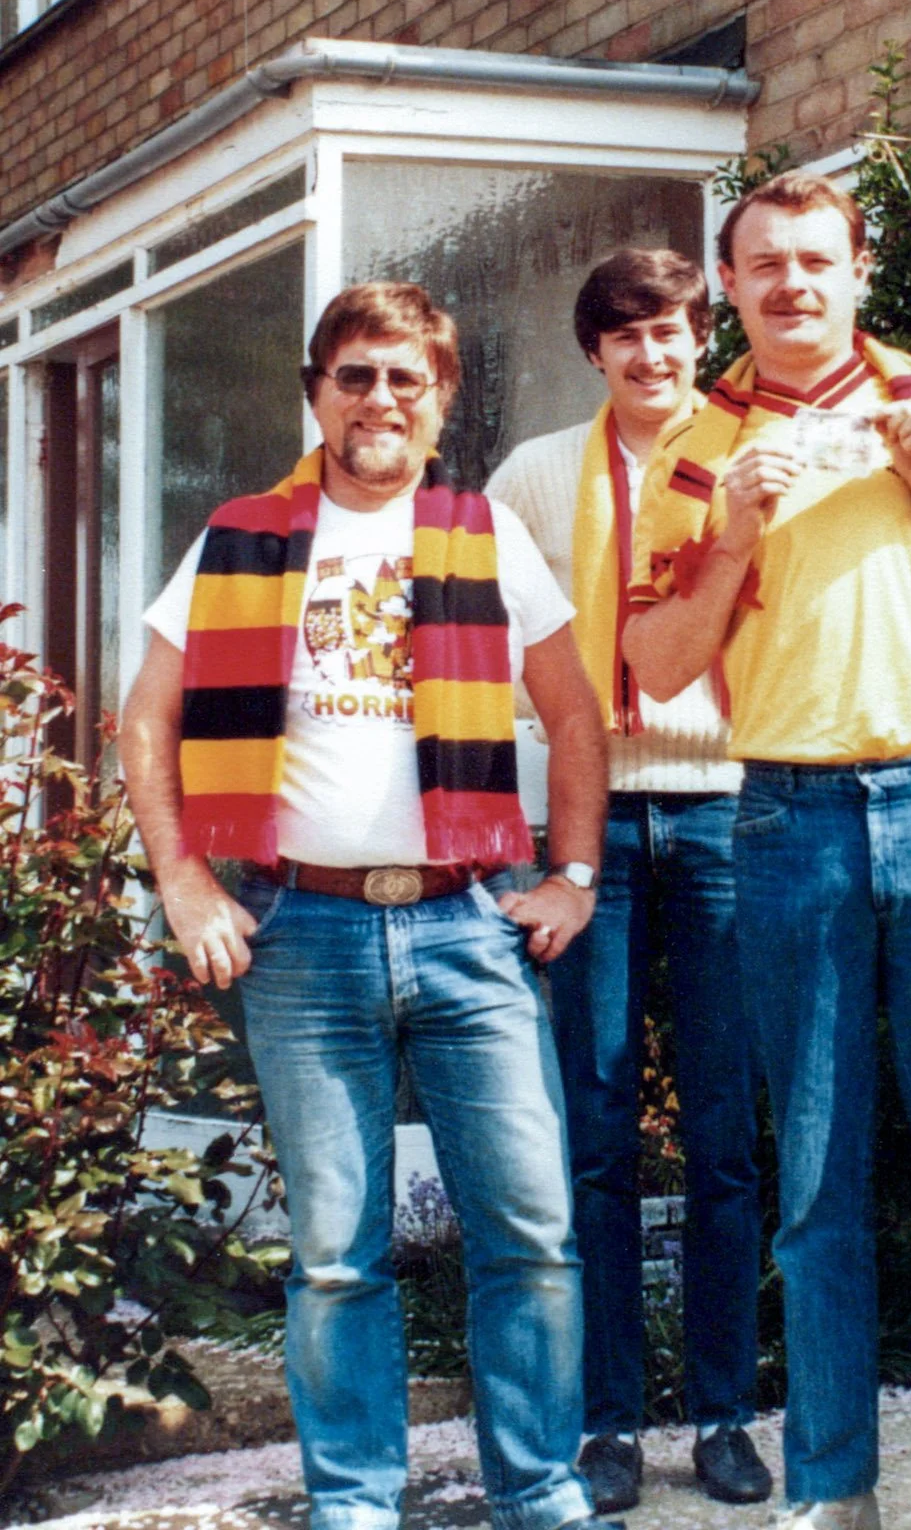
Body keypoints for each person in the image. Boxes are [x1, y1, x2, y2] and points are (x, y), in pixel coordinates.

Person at [121, 282, 614, 1530]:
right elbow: (147, 716)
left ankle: (539, 1493)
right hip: (303, 932)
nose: (379, 397)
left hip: (468, 922)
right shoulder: (237, 535)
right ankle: (353, 1505)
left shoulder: (484, 534)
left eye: (405, 377)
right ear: (316, 393)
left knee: (533, 1236)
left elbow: (571, 715)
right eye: (355, 375)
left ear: (440, 401)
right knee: (337, 1257)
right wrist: (182, 877)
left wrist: (573, 873)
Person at [623, 178, 911, 1530]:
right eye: (764, 266)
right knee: (814, 1184)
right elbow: (650, 664)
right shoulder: (697, 443)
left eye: (817, 262)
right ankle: (830, 1486)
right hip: (788, 816)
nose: (792, 286)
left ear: (859, 273)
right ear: (730, 283)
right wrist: (736, 535)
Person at [487, 248, 769, 1516]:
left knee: (720, 1131)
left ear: (698, 337)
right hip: (586, 825)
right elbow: (489, 649)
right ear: (592, 351)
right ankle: (605, 1425)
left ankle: (721, 1412)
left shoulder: (754, 451)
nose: (654, 356)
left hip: (722, 813)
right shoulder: (538, 475)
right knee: (593, 1130)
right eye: (629, 337)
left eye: (673, 332)